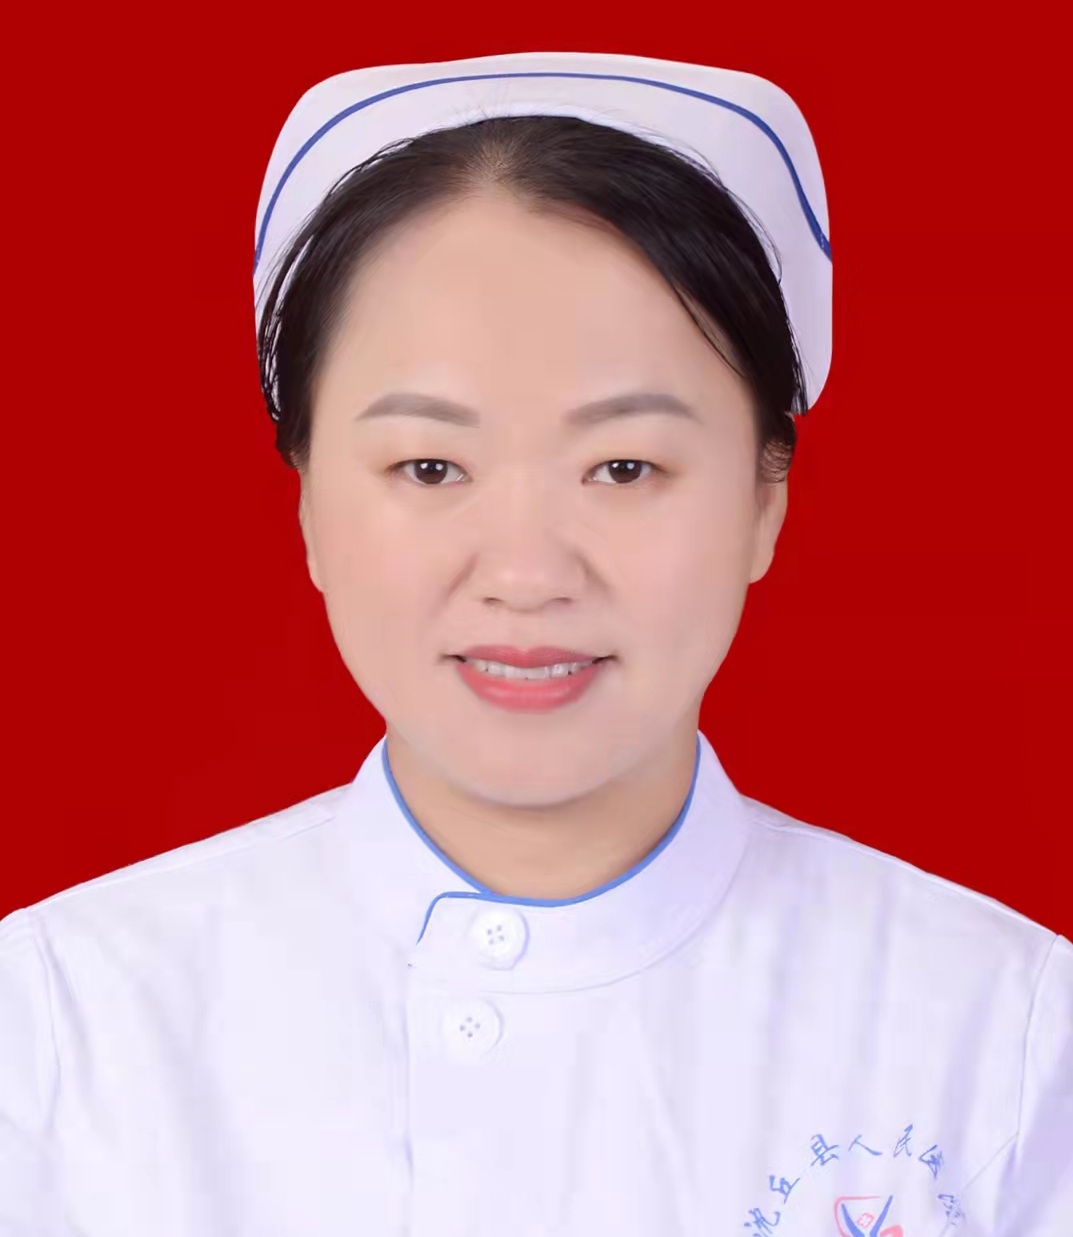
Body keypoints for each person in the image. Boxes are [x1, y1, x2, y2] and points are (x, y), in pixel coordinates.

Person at [0, 50, 1068, 1237]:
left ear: (765, 497)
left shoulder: (1002, 1039)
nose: (523, 574)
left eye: (623, 467)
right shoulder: (58, 1027)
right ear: (306, 501)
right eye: (429, 466)